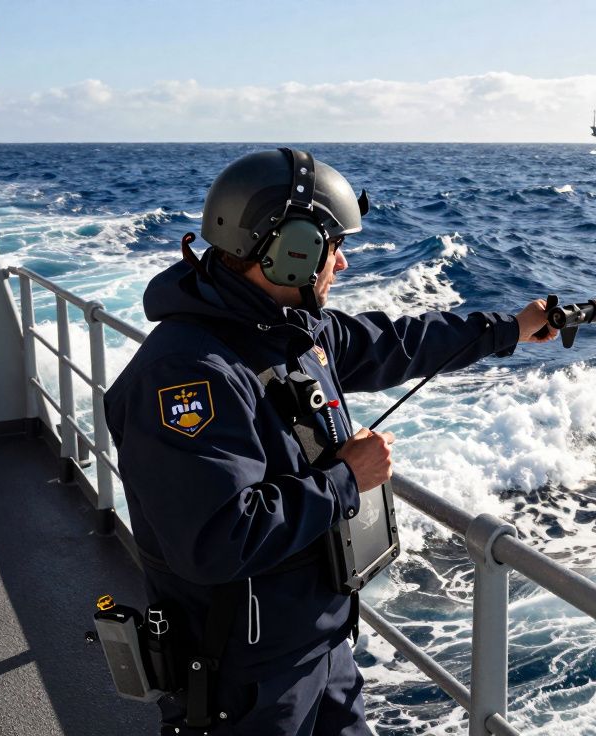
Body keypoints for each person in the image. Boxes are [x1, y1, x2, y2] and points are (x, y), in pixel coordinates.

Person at [104, 148, 555, 735]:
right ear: (291, 250)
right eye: (331, 247)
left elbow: (399, 343)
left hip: (319, 644)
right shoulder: (188, 375)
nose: (339, 265)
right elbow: (216, 541)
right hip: (245, 678)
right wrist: (348, 478)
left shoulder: (290, 328)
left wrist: (511, 329)